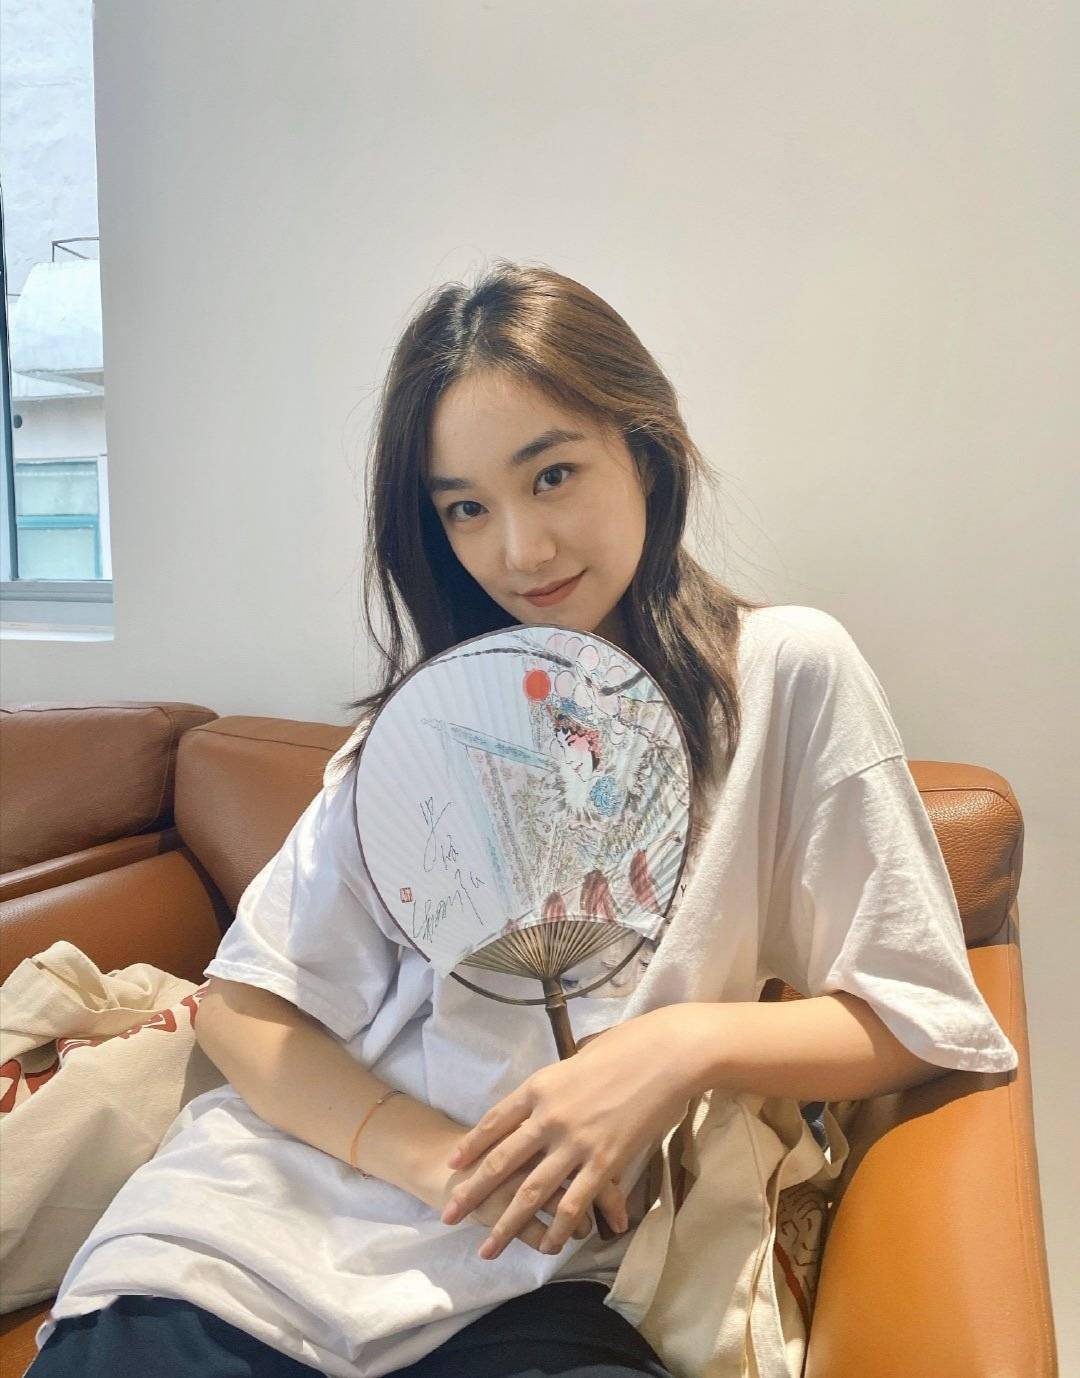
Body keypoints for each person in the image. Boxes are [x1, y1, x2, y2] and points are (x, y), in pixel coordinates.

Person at [25, 262, 1019, 1378]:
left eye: (553, 475)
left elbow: (920, 1016)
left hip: (538, 1283)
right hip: (241, 1247)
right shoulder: (422, 731)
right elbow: (246, 1007)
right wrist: (436, 1161)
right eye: (466, 508)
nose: (521, 550)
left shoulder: (782, 676)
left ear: (645, 449)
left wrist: (674, 1046)